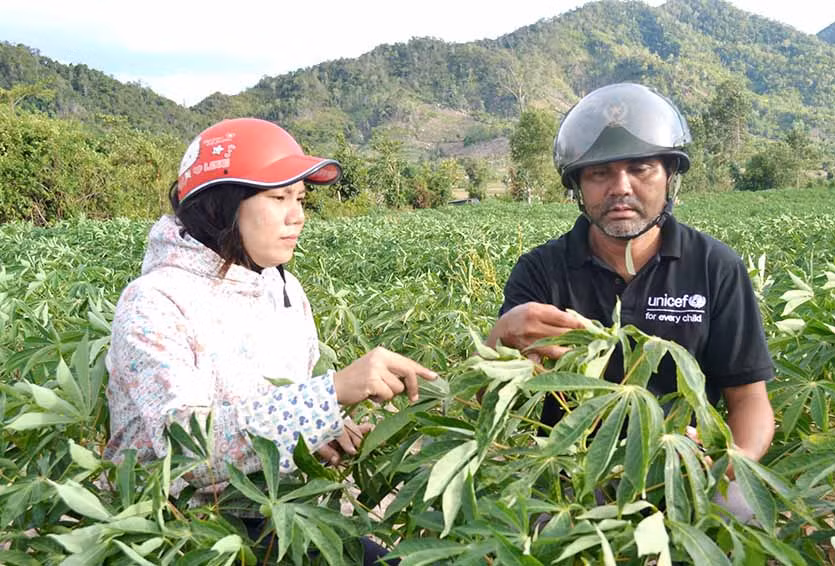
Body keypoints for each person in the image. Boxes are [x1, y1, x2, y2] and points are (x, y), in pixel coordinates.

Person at [104, 117, 436, 562]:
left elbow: (271, 419)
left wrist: (317, 433)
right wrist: (329, 394)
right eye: (279, 197)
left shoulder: (282, 289)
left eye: (299, 198)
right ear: (221, 205)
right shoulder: (154, 301)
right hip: (184, 535)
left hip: (277, 516)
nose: (297, 215)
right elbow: (185, 448)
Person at [487, 83, 775, 519]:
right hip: (570, 471)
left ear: (669, 176)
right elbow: (492, 389)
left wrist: (729, 463)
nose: (620, 188)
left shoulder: (715, 266)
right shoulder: (541, 270)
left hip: (683, 466)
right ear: (578, 186)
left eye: (640, 169)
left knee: (741, 509)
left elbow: (750, 398)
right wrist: (501, 335)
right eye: (599, 173)